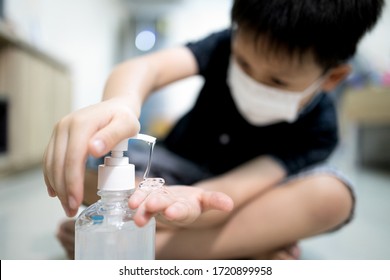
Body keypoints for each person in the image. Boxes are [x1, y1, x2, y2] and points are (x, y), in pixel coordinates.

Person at [45, 0, 384, 260]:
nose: (252, 81)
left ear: (334, 77)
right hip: (170, 170)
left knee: (333, 197)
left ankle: (147, 247)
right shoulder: (223, 44)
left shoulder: (320, 129)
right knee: (92, 161)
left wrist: (115, 243)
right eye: (243, 63)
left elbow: (227, 193)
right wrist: (121, 104)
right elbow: (145, 67)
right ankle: (244, 245)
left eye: (278, 81)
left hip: (240, 195)